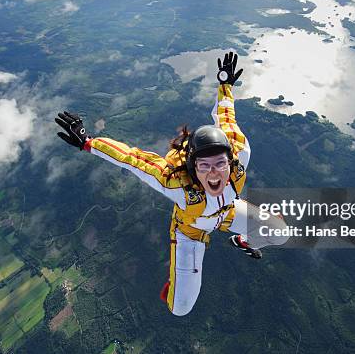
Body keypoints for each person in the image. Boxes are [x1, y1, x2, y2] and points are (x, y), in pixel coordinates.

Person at [55, 52, 289, 316]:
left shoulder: (240, 155)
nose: (214, 174)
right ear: (192, 168)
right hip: (190, 230)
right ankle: (177, 287)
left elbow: (227, 120)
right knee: (181, 308)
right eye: (204, 166)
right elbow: (132, 159)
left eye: (220, 164)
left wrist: (225, 86)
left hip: (227, 213)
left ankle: (244, 241)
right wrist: (88, 142)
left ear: (230, 161)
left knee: (281, 233)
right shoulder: (176, 182)